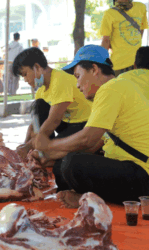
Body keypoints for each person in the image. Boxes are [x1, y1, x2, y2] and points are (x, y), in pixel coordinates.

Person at [31, 45, 149, 208]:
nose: (77, 85)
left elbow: (87, 138)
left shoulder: (111, 89)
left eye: (78, 76)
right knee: (63, 165)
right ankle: (89, 194)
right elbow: (94, 145)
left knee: (73, 164)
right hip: (136, 173)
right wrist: (48, 156)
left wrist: (49, 145)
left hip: (142, 177)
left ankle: (90, 198)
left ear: (94, 69)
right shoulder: (117, 86)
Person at [13, 47, 92, 161]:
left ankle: (46, 151)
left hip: (84, 125)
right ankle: (43, 149)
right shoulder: (41, 91)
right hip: (67, 124)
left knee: (55, 155)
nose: (25, 80)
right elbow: (34, 124)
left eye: (25, 74)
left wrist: (31, 145)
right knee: (38, 105)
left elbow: (54, 120)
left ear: (36, 67)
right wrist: (24, 146)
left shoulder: (60, 80)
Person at [100, 0, 148, 76]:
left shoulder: (141, 7)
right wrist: (102, 62)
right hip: (119, 65)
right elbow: (106, 41)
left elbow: (141, 30)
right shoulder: (109, 14)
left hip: (138, 64)